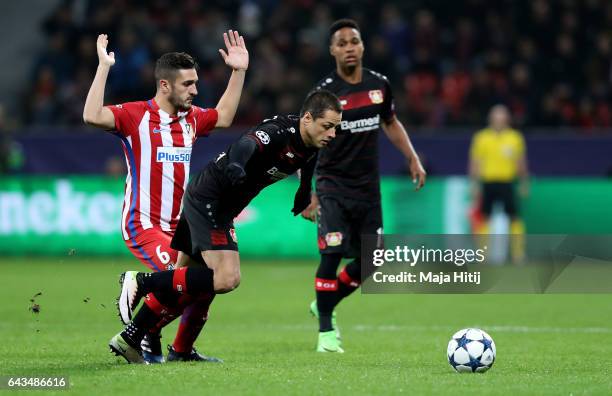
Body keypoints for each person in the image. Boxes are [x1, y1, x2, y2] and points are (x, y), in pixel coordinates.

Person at [109, 90, 342, 363]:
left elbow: (308, 159)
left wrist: (304, 191)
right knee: (226, 278)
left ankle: (132, 338)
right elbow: (248, 142)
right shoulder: (280, 131)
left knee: (185, 281)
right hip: (211, 200)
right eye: (327, 126)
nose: (332, 134)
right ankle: (141, 281)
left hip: (212, 201)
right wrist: (237, 164)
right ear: (307, 118)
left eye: (336, 128)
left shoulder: (311, 143)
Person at [83, 30, 249, 363]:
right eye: (188, 84)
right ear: (165, 85)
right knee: (182, 281)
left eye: (195, 83)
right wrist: (103, 66)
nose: (195, 90)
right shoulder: (135, 116)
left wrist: (239, 71)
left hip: (182, 225)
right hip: (143, 223)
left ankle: (180, 350)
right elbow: (91, 115)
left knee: (208, 284)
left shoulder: (191, 119)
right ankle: (142, 335)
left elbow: (225, 116)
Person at [300, 19, 427, 353]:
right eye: (341, 43)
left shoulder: (379, 85)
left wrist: (412, 157)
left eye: (354, 41)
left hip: (368, 189)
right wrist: (309, 192)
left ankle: (324, 301)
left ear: (363, 45)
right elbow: (308, 141)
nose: (349, 47)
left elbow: (391, 122)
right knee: (332, 254)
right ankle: (326, 332)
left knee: (374, 260)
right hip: (331, 186)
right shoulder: (324, 93)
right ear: (332, 51)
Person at [469, 104, 529, 262]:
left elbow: (520, 163)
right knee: (484, 218)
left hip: (507, 182)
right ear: (490, 119)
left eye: (502, 117)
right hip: (488, 182)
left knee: (514, 217)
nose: (499, 120)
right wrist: (474, 184)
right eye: (496, 117)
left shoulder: (515, 138)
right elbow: (475, 163)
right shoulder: (481, 138)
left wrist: (524, 182)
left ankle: (518, 254)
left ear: (507, 119)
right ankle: (482, 255)